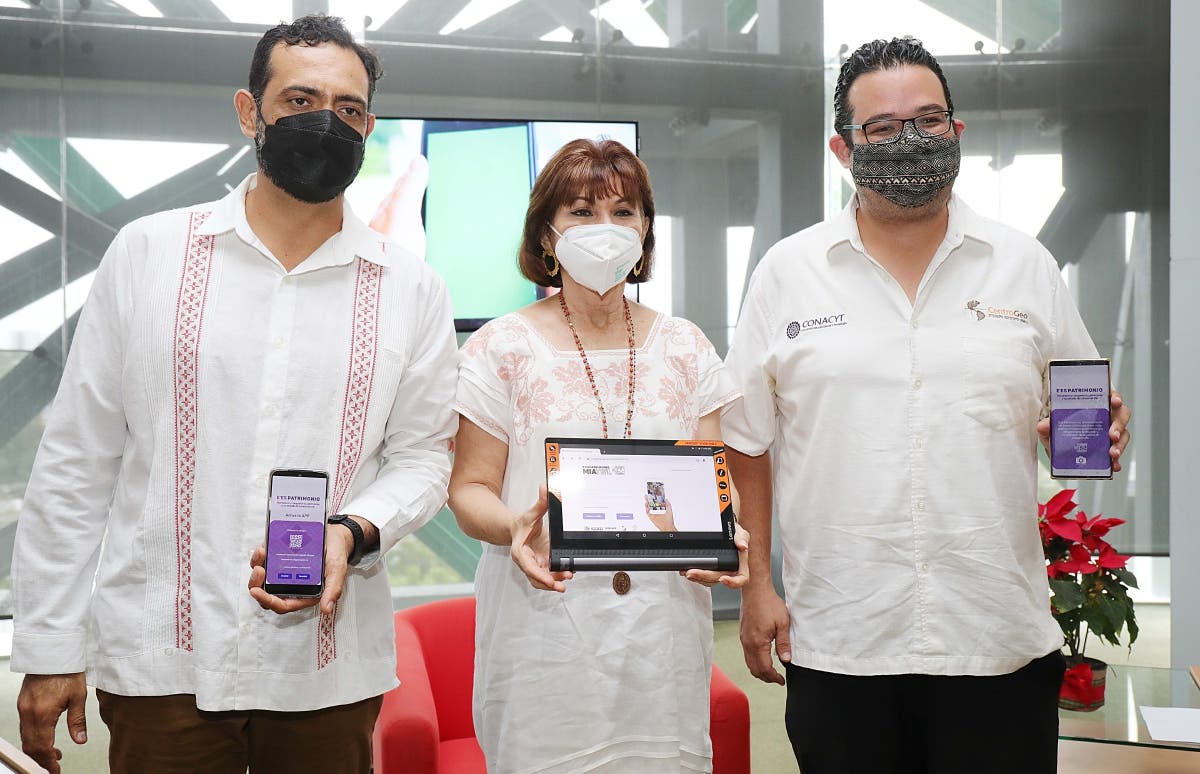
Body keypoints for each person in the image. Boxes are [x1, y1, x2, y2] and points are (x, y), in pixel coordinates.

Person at [11, 15, 458, 774]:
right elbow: (76, 461)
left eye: (348, 109)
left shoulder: (411, 288)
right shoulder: (148, 253)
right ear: (250, 112)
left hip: (326, 672)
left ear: (368, 128)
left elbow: (423, 458)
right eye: (299, 100)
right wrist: (50, 647)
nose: (324, 122)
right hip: (161, 663)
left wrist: (353, 531)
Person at [723, 37, 1132, 774]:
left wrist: (1097, 431)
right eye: (881, 127)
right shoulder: (787, 273)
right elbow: (744, 438)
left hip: (998, 642)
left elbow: (1080, 412)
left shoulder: (1026, 266)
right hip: (842, 641)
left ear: (957, 131)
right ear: (843, 149)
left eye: (929, 120)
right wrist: (757, 586)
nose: (909, 139)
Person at [448, 138, 749, 773]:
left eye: (623, 211)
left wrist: (725, 529)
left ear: (644, 231)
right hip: (544, 636)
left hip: (664, 638)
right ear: (547, 235)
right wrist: (516, 526)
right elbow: (469, 489)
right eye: (582, 212)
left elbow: (714, 481)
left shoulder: (686, 347)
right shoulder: (501, 348)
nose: (605, 228)